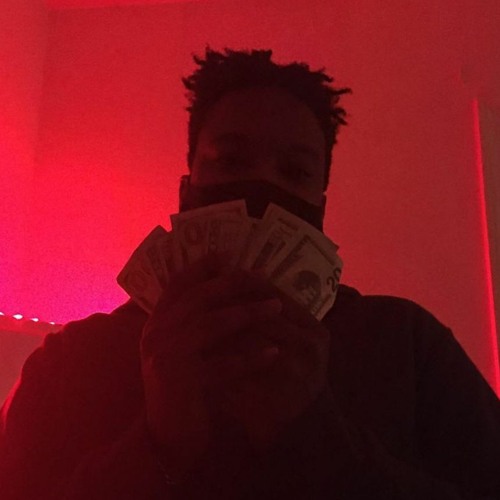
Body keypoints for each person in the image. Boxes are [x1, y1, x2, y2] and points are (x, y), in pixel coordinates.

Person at [1, 46, 499, 500]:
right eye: (232, 160)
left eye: (294, 172)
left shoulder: (407, 345)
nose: (262, 181)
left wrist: (318, 436)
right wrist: (159, 444)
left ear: (319, 208)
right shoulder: (71, 362)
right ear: (186, 191)